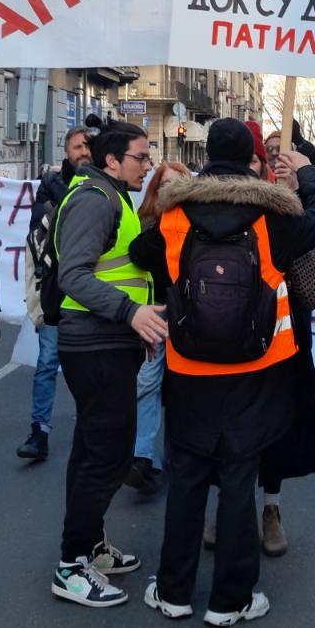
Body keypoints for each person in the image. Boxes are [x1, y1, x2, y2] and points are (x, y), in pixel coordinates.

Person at [131, 118, 315, 625]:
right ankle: (232, 599)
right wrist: (306, 171)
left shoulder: (175, 213)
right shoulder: (274, 216)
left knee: (187, 476)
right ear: (252, 157)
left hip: (189, 366)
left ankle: (174, 591)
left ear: (206, 155)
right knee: (239, 475)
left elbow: (141, 254)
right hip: (258, 367)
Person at [49, 120, 160, 608]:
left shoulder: (111, 195)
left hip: (108, 341)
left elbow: (119, 271)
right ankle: (71, 565)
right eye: (141, 157)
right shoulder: (95, 199)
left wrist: (137, 321)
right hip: (94, 344)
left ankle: (90, 545)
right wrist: (131, 313)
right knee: (107, 455)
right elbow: (73, 275)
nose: (147, 165)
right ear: (112, 160)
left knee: (92, 450)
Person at [19, 123, 95, 462]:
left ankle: (90, 429)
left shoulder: (104, 183)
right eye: (78, 146)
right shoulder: (49, 184)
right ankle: (39, 432)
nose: (84, 152)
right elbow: (43, 225)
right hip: (56, 290)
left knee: (89, 366)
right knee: (47, 362)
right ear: (67, 152)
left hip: (92, 292)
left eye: (89, 146)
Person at [126, 160, 190, 496]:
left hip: (189, 316)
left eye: (179, 185)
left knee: (182, 389)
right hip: (155, 314)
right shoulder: (147, 221)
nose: (172, 192)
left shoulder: (197, 221)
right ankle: (143, 459)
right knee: (147, 382)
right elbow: (139, 255)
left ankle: (176, 459)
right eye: (166, 185)